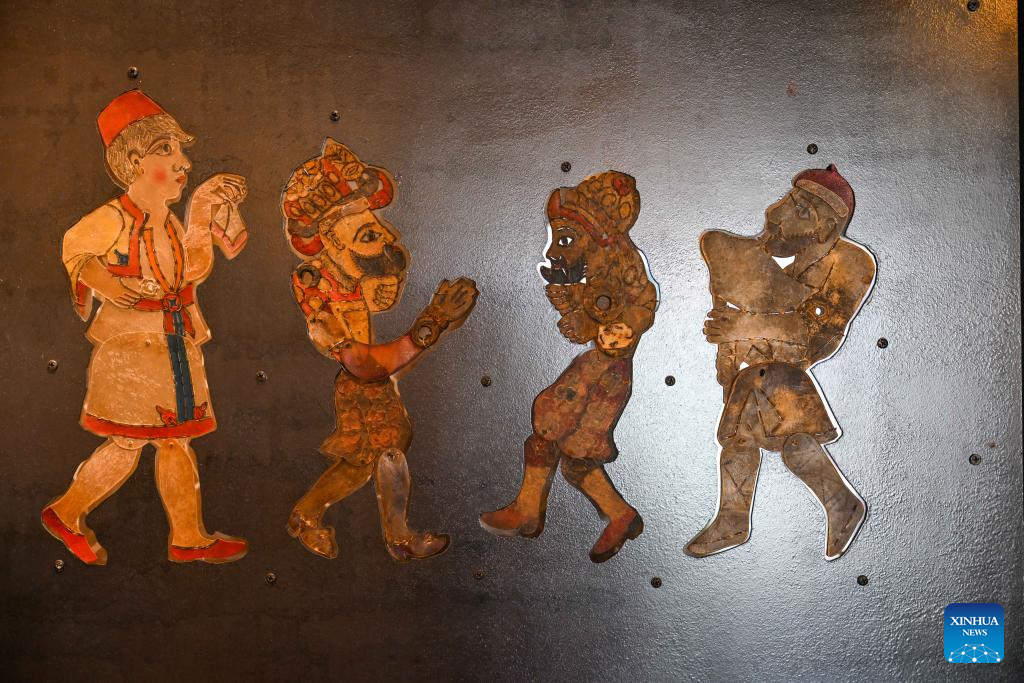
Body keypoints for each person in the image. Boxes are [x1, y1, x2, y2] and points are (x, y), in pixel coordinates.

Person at [41, 90, 250, 565]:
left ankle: (187, 536)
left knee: (173, 439)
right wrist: (105, 283)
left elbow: (191, 270)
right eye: (166, 151)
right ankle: (67, 512)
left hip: (171, 340)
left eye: (180, 152)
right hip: (133, 349)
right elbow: (74, 247)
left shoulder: (167, 222)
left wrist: (202, 209)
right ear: (135, 162)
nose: (182, 163)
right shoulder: (114, 217)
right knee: (130, 441)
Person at [283, 138, 478, 561]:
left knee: (364, 461)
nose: (390, 237)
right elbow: (364, 364)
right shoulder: (316, 290)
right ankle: (398, 537)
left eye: (379, 227)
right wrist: (431, 323)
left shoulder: (347, 278)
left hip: (366, 382)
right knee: (387, 449)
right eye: (370, 234)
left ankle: (307, 515)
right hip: (359, 384)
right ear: (333, 245)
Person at [686, 164, 875, 560]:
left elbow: (817, 329)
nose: (780, 212)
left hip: (786, 371)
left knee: (791, 441)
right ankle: (735, 520)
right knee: (746, 439)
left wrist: (744, 326)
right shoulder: (750, 254)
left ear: (824, 228)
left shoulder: (851, 263)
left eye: (802, 210)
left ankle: (838, 506)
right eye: (790, 201)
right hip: (748, 372)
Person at [480, 171, 658, 563]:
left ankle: (534, 510)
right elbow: (586, 322)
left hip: (606, 375)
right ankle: (612, 514)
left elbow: (637, 305)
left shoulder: (623, 265)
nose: (556, 250)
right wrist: (571, 304)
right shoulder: (593, 269)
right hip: (599, 368)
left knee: (554, 436)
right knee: (567, 454)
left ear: (597, 235)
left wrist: (615, 324)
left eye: (565, 240)